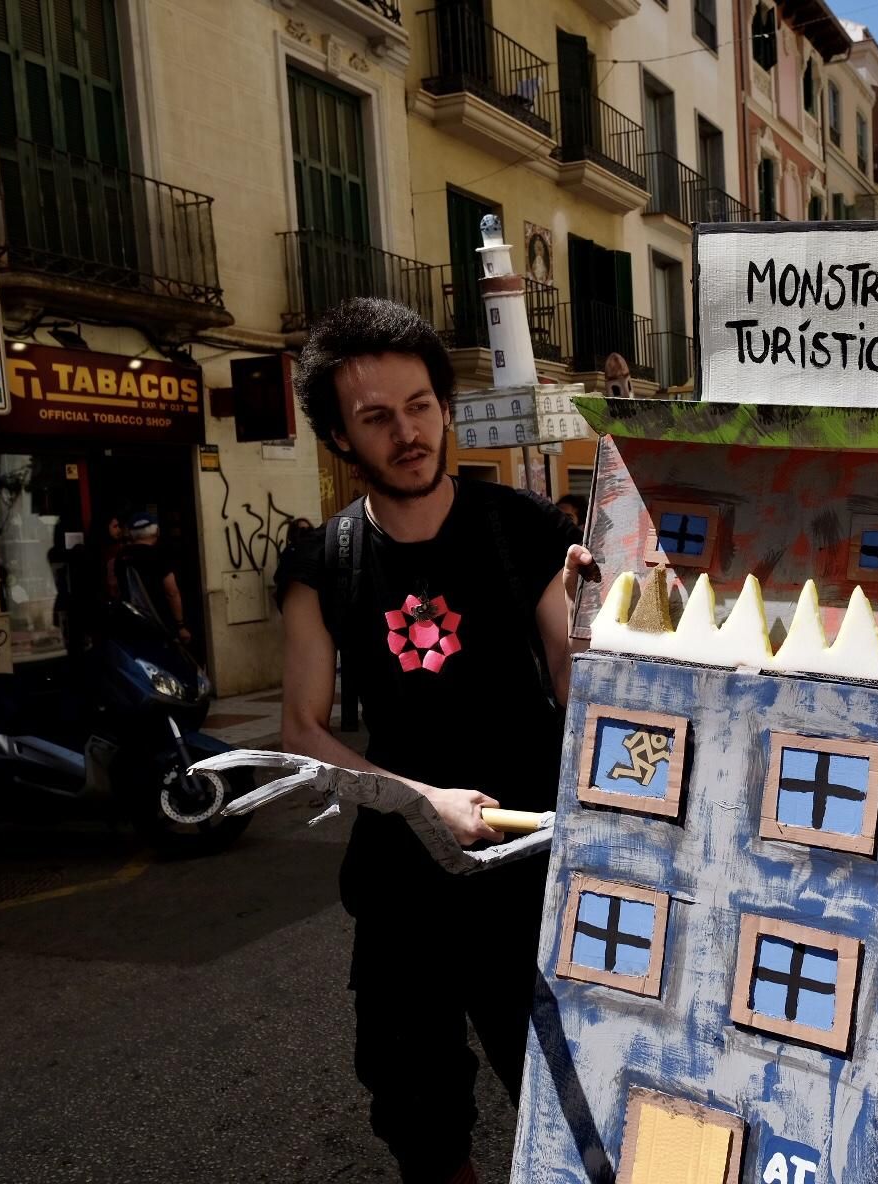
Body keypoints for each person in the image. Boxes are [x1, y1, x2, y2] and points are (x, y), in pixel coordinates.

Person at [274, 297, 590, 1184]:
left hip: (532, 872)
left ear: (444, 408)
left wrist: (609, 618)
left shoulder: (525, 530)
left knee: (569, 1104)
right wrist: (423, 800)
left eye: (419, 406)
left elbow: (574, 677)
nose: (407, 432)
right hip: (402, 888)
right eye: (376, 418)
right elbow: (303, 729)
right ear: (341, 438)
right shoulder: (322, 564)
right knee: (422, 1126)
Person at [119, 512, 190, 644]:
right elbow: (171, 592)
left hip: (131, 623)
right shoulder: (159, 556)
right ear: (156, 531)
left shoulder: (120, 557)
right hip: (159, 623)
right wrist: (180, 625)